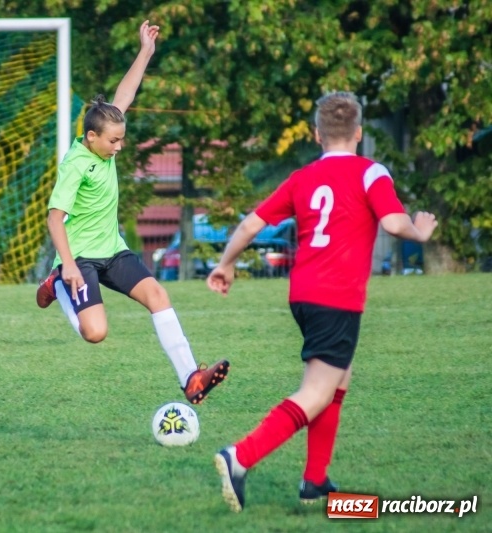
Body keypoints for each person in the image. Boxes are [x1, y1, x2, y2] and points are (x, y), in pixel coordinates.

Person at [207, 91, 438, 512]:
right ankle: (239, 457)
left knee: (339, 378)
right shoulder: (371, 172)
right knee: (315, 392)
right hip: (337, 298)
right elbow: (392, 221)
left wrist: (226, 264)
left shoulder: (301, 178)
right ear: (360, 133)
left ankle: (315, 481)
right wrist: (419, 232)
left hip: (304, 294)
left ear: (317, 134)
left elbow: (250, 224)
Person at [35, 21, 229, 405]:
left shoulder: (104, 131)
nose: (120, 147)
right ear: (92, 138)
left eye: (121, 138)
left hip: (113, 250)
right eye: (114, 141)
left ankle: (191, 378)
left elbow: (124, 93)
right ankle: (57, 284)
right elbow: (54, 217)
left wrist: (145, 52)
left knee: (158, 294)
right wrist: (69, 266)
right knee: (95, 332)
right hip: (80, 258)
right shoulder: (76, 164)